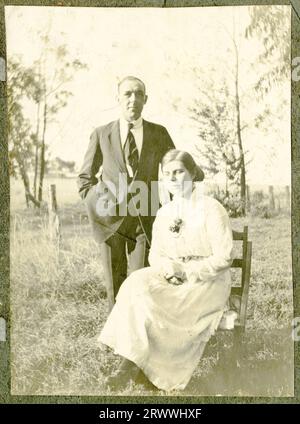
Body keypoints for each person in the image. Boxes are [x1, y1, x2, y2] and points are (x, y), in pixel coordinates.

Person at [98, 149, 233, 392]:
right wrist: (169, 269)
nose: (173, 178)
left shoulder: (212, 209)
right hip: (174, 276)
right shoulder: (164, 212)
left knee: (158, 304)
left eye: (179, 172)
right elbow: (156, 254)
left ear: (192, 174)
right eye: (167, 174)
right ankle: (135, 363)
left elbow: (223, 257)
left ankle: (130, 366)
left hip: (206, 281)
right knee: (135, 284)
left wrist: (187, 271)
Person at [78, 76, 175, 310]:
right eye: (127, 94)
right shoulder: (102, 134)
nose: (133, 99)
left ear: (146, 99)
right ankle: (115, 340)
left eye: (138, 94)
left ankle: (140, 338)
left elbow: (176, 167)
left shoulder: (159, 133)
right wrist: (99, 204)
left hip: (146, 219)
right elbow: (84, 179)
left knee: (142, 281)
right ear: (118, 99)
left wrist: (175, 205)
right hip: (110, 220)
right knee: (115, 282)